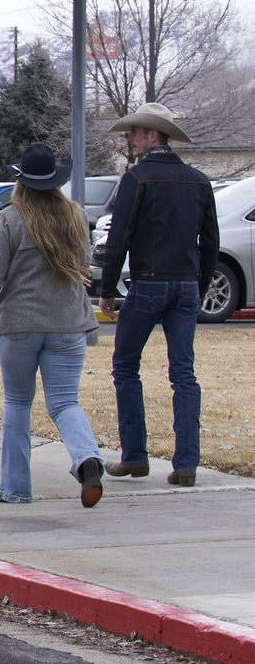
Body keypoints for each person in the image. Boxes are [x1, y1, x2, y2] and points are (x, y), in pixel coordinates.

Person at [0, 141, 105, 507]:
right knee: (64, 402)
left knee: (18, 403)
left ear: (21, 182)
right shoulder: (75, 216)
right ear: (55, 182)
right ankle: (87, 458)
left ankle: (16, 489)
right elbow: (84, 266)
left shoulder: (9, 219)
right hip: (69, 323)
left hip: (19, 325)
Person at [95, 104, 221, 486]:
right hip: (185, 284)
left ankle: (135, 455)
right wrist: (197, 288)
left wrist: (107, 290)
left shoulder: (138, 179)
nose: (129, 139)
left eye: (134, 132)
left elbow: (119, 239)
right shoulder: (199, 181)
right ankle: (186, 465)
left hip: (147, 283)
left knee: (125, 367)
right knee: (183, 374)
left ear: (153, 135)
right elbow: (211, 244)